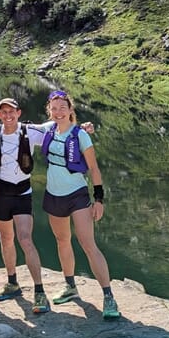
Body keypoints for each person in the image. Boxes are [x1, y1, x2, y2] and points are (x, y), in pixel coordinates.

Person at [41, 89, 120, 319]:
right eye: (54, 109)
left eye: (62, 108)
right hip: (53, 194)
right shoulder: (48, 130)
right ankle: (70, 286)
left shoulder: (81, 135)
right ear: (49, 111)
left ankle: (108, 296)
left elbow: (94, 168)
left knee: (88, 244)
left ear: (70, 110)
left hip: (76, 194)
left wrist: (99, 200)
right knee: (62, 240)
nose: (58, 112)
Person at [0, 97, 51, 314]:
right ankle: (12, 282)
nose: (8, 116)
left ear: (19, 113)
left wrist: (81, 127)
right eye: (3, 112)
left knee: (25, 239)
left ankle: (39, 290)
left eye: (12, 112)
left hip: (22, 192)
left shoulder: (30, 132)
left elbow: (56, 126)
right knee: (6, 238)